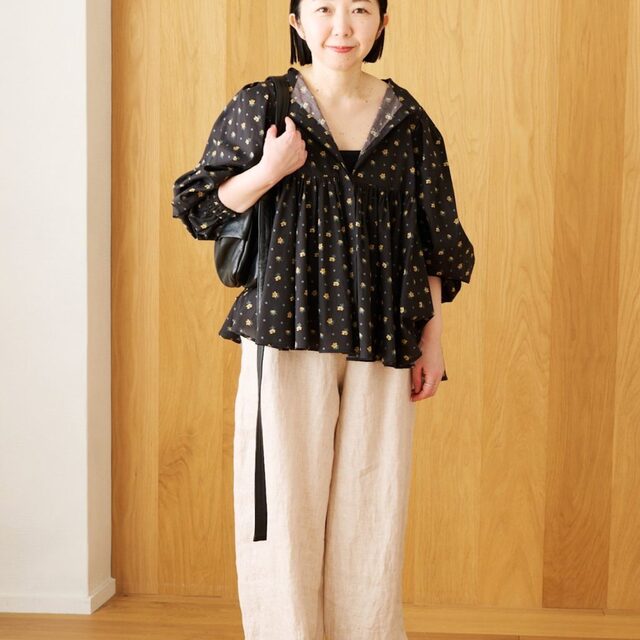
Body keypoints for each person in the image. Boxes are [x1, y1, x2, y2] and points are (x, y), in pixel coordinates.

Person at [171, 1, 475, 637]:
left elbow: (434, 243)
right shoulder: (265, 105)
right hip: (285, 333)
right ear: (297, 21)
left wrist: (433, 341)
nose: (342, 26)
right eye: (324, 8)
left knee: (372, 507)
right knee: (283, 507)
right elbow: (200, 207)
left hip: (383, 337)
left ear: (382, 23)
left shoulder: (409, 122)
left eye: (360, 9)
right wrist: (268, 169)